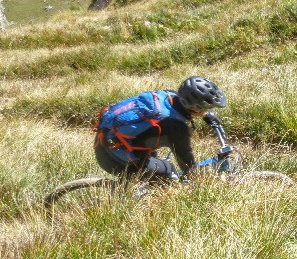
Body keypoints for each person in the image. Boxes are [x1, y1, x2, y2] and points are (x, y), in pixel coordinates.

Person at [94, 76, 227, 182]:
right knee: (170, 172)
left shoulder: (171, 96)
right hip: (112, 158)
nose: (209, 111)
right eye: (206, 108)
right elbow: (188, 168)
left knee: (155, 162)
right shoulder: (177, 127)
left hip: (106, 140)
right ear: (194, 108)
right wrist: (207, 171)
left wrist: (209, 118)